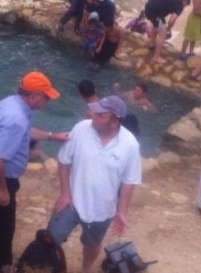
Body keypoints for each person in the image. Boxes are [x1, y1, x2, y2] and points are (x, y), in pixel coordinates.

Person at [0, 71, 61, 273]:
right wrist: (2, 190)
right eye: (46, 96)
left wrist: (53, 136)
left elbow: (24, 131)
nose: (47, 101)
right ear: (34, 96)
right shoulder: (17, 119)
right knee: (2, 227)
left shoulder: (10, 102)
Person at [48, 96, 141, 273]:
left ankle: (85, 269)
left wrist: (121, 212)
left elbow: (129, 181)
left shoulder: (130, 145)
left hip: (102, 210)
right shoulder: (81, 128)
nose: (92, 115)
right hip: (72, 201)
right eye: (94, 111)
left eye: (99, 115)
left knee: (92, 244)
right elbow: (64, 160)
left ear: (114, 122)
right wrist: (65, 193)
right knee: (51, 238)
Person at [143, 0, 191, 64]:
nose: (184, 7)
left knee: (156, 26)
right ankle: (156, 57)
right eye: (185, 5)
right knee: (162, 34)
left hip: (148, 7)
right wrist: (168, 29)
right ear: (185, 1)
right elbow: (172, 20)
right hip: (156, 13)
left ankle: (152, 45)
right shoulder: (180, 5)